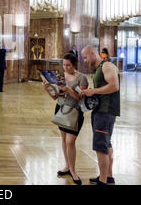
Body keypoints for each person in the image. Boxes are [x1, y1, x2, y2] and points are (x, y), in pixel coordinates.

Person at [81, 45, 120, 185]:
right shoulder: (99, 68)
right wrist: (91, 91)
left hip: (105, 112)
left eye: (85, 57)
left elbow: (114, 86)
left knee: (100, 146)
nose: (85, 60)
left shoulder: (107, 66)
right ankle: (108, 177)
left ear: (92, 53)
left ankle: (103, 181)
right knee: (106, 144)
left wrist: (94, 91)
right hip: (102, 111)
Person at [47, 53, 88, 185]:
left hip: (74, 111)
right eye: (64, 65)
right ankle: (67, 166)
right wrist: (48, 89)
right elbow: (55, 97)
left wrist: (68, 89)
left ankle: (73, 170)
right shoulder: (60, 76)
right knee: (64, 138)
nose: (65, 67)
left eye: (68, 65)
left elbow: (80, 99)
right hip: (60, 108)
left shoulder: (82, 78)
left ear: (74, 64)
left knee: (71, 140)